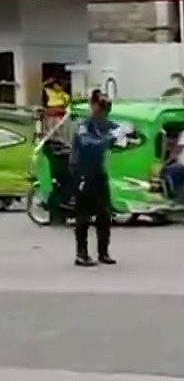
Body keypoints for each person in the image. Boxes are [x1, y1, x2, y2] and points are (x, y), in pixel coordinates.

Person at [71, 94, 117, 267]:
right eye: (102, 106)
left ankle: (103, 252)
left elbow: (122, 131)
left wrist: (124, 132)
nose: (104, 110)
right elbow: (88, 143)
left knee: (104, 213)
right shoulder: (84, 125)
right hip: (82, 171)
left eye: (107, 107)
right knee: (83, 215)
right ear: (93, 105)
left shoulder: (104, 124)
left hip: (98, 171)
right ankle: (81, 254)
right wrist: (108, 139)